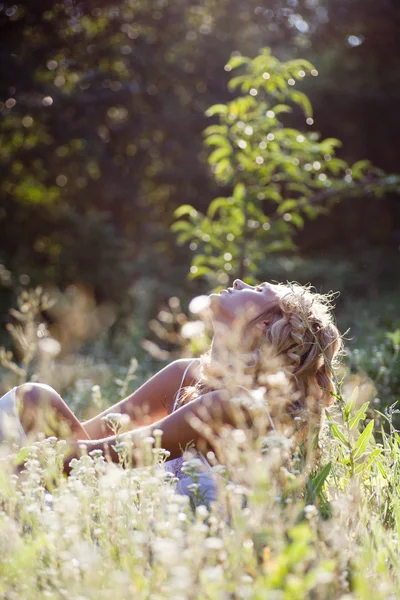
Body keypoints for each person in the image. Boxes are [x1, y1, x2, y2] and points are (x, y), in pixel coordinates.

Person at [0, 279, 342, 500]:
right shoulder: (183, 375)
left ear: (265, 322)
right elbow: (82, 440)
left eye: (257, 289)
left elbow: (105, 453)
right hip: (112, 489)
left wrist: (21, 466)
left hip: (157, 535)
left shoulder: (235, 406)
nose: (238, 281)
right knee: (34, 398)